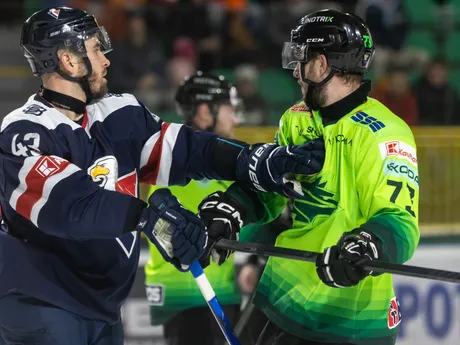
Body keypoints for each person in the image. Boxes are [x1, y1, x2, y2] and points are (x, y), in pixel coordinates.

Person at [0, 6, 326, 345]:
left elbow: (187, 149)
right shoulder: (25, 132)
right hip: (41, 303)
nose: (106, 59)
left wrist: (250, 160)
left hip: (102, 307)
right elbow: (70, 205)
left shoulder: (118, 113)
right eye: (96, 49)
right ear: (68, 60)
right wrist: (147, 218)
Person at [197, 9, 420, 345]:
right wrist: (234, 208)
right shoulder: (295, 119)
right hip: (280, 298)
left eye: (301, 59)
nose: (296, 73)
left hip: (349, 318)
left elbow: (401, 222)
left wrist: (368, 246)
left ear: (321, 64)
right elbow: (271, 190)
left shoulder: (386, 133)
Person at [142, 72, 242, 345]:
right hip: (196, 297)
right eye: (229, 110)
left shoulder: (176, 158)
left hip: (198, 297)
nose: (235, 119)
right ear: (203, 111)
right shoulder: (185, 165)